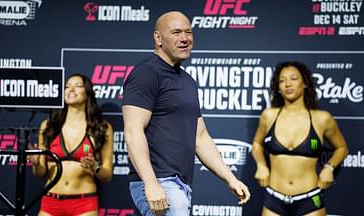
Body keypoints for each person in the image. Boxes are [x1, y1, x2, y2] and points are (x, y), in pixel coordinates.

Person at [122, 11, 250, 216]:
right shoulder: (146, 73)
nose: (184, 38)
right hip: (160, 182)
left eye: (188, 32)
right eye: (176, 32)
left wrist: (230, 178)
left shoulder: (188, 81)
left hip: (181, 185)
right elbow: (132, 130)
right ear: (158, 38)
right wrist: (151, 183)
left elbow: (199, 137)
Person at [252, 61, 349, 216]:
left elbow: (342, 148)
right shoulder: (268, 116)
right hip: (274, 199)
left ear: (305, 83)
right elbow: (257, 144)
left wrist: (329, 167)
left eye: (293, 79)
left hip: (310, 200)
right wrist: (261, 165)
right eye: (282, 81)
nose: (287, 84)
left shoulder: (322, 119)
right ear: (278, 88)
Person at [29, 74, 114, 215]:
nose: (71, 89)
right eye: (67, 86)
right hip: (51, 202)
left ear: (87, 93)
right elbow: (40, 174)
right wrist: (36, 164)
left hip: (84, 203)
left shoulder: (101, 128)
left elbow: (107, 176)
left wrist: (95, 167)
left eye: (78, 86)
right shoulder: (49, 126)